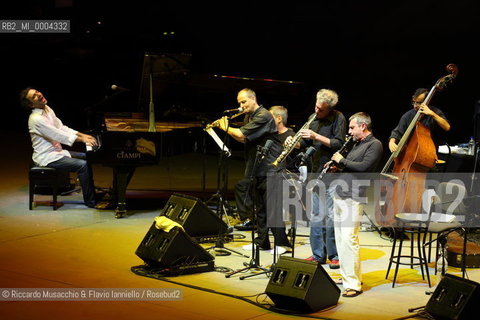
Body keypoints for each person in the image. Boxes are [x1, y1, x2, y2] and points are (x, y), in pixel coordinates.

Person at [211, 88, 278, 252]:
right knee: (260, 207)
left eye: (243, 102)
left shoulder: (263, 115)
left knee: (269, 208)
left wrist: (225, 126)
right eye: (239, 103)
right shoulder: (250, 116)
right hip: (256, 165)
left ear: (253, 98)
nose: (241, 105)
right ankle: (262, 242)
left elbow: (241, 134)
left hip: (268, 167)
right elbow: (245, 140)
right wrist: (226, 129)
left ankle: (281, 244)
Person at [329, 112, 383, 297]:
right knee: (340, 240)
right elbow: (351, 166)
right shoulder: (356, 144)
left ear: (363, 127)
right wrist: (337, 167)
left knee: (350, 239)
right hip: (340, 193)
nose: (350, 131)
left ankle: (353, 284)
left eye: (352, 128)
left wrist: (341, 160)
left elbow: (364, 168)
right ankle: (346, 276)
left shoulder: (375, 145)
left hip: (354, 196)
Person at [20, 87, 99, 208]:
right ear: (31, 104)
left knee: (88, 157)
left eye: (37, 92)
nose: (38, 94)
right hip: (47, 157)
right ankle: (91, 201)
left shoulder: (47, 109)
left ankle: (91, 193)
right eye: (34, 96)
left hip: (57, 152)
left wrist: (83, 135)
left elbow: (62, 128)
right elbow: (58, 135)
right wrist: (82, 140)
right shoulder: (36, 119)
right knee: (82, 165)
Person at [295, 89, 347, 269]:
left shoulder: (339, 118)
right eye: (316, 107)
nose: (317, 111)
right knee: (316, 216)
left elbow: (339, 143)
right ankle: (318, 254)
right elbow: (307, 143)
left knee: (331, 217)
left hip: (331, 173)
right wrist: (296, 143)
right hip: (314, 172)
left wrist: (316, 136)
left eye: (321, 110)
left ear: (330, 109)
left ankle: (334, 255)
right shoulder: (313, 117)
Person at [389, 87, 450, 153]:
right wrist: (392, 142)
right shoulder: (408, 115)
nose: (415, 106)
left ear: (427, 101)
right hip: (408, 152)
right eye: (413, 102)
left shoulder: (435, 112)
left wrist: (432, 114)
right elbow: (397, 132)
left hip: (429, 153)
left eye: (418, 103)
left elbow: (447, 127)